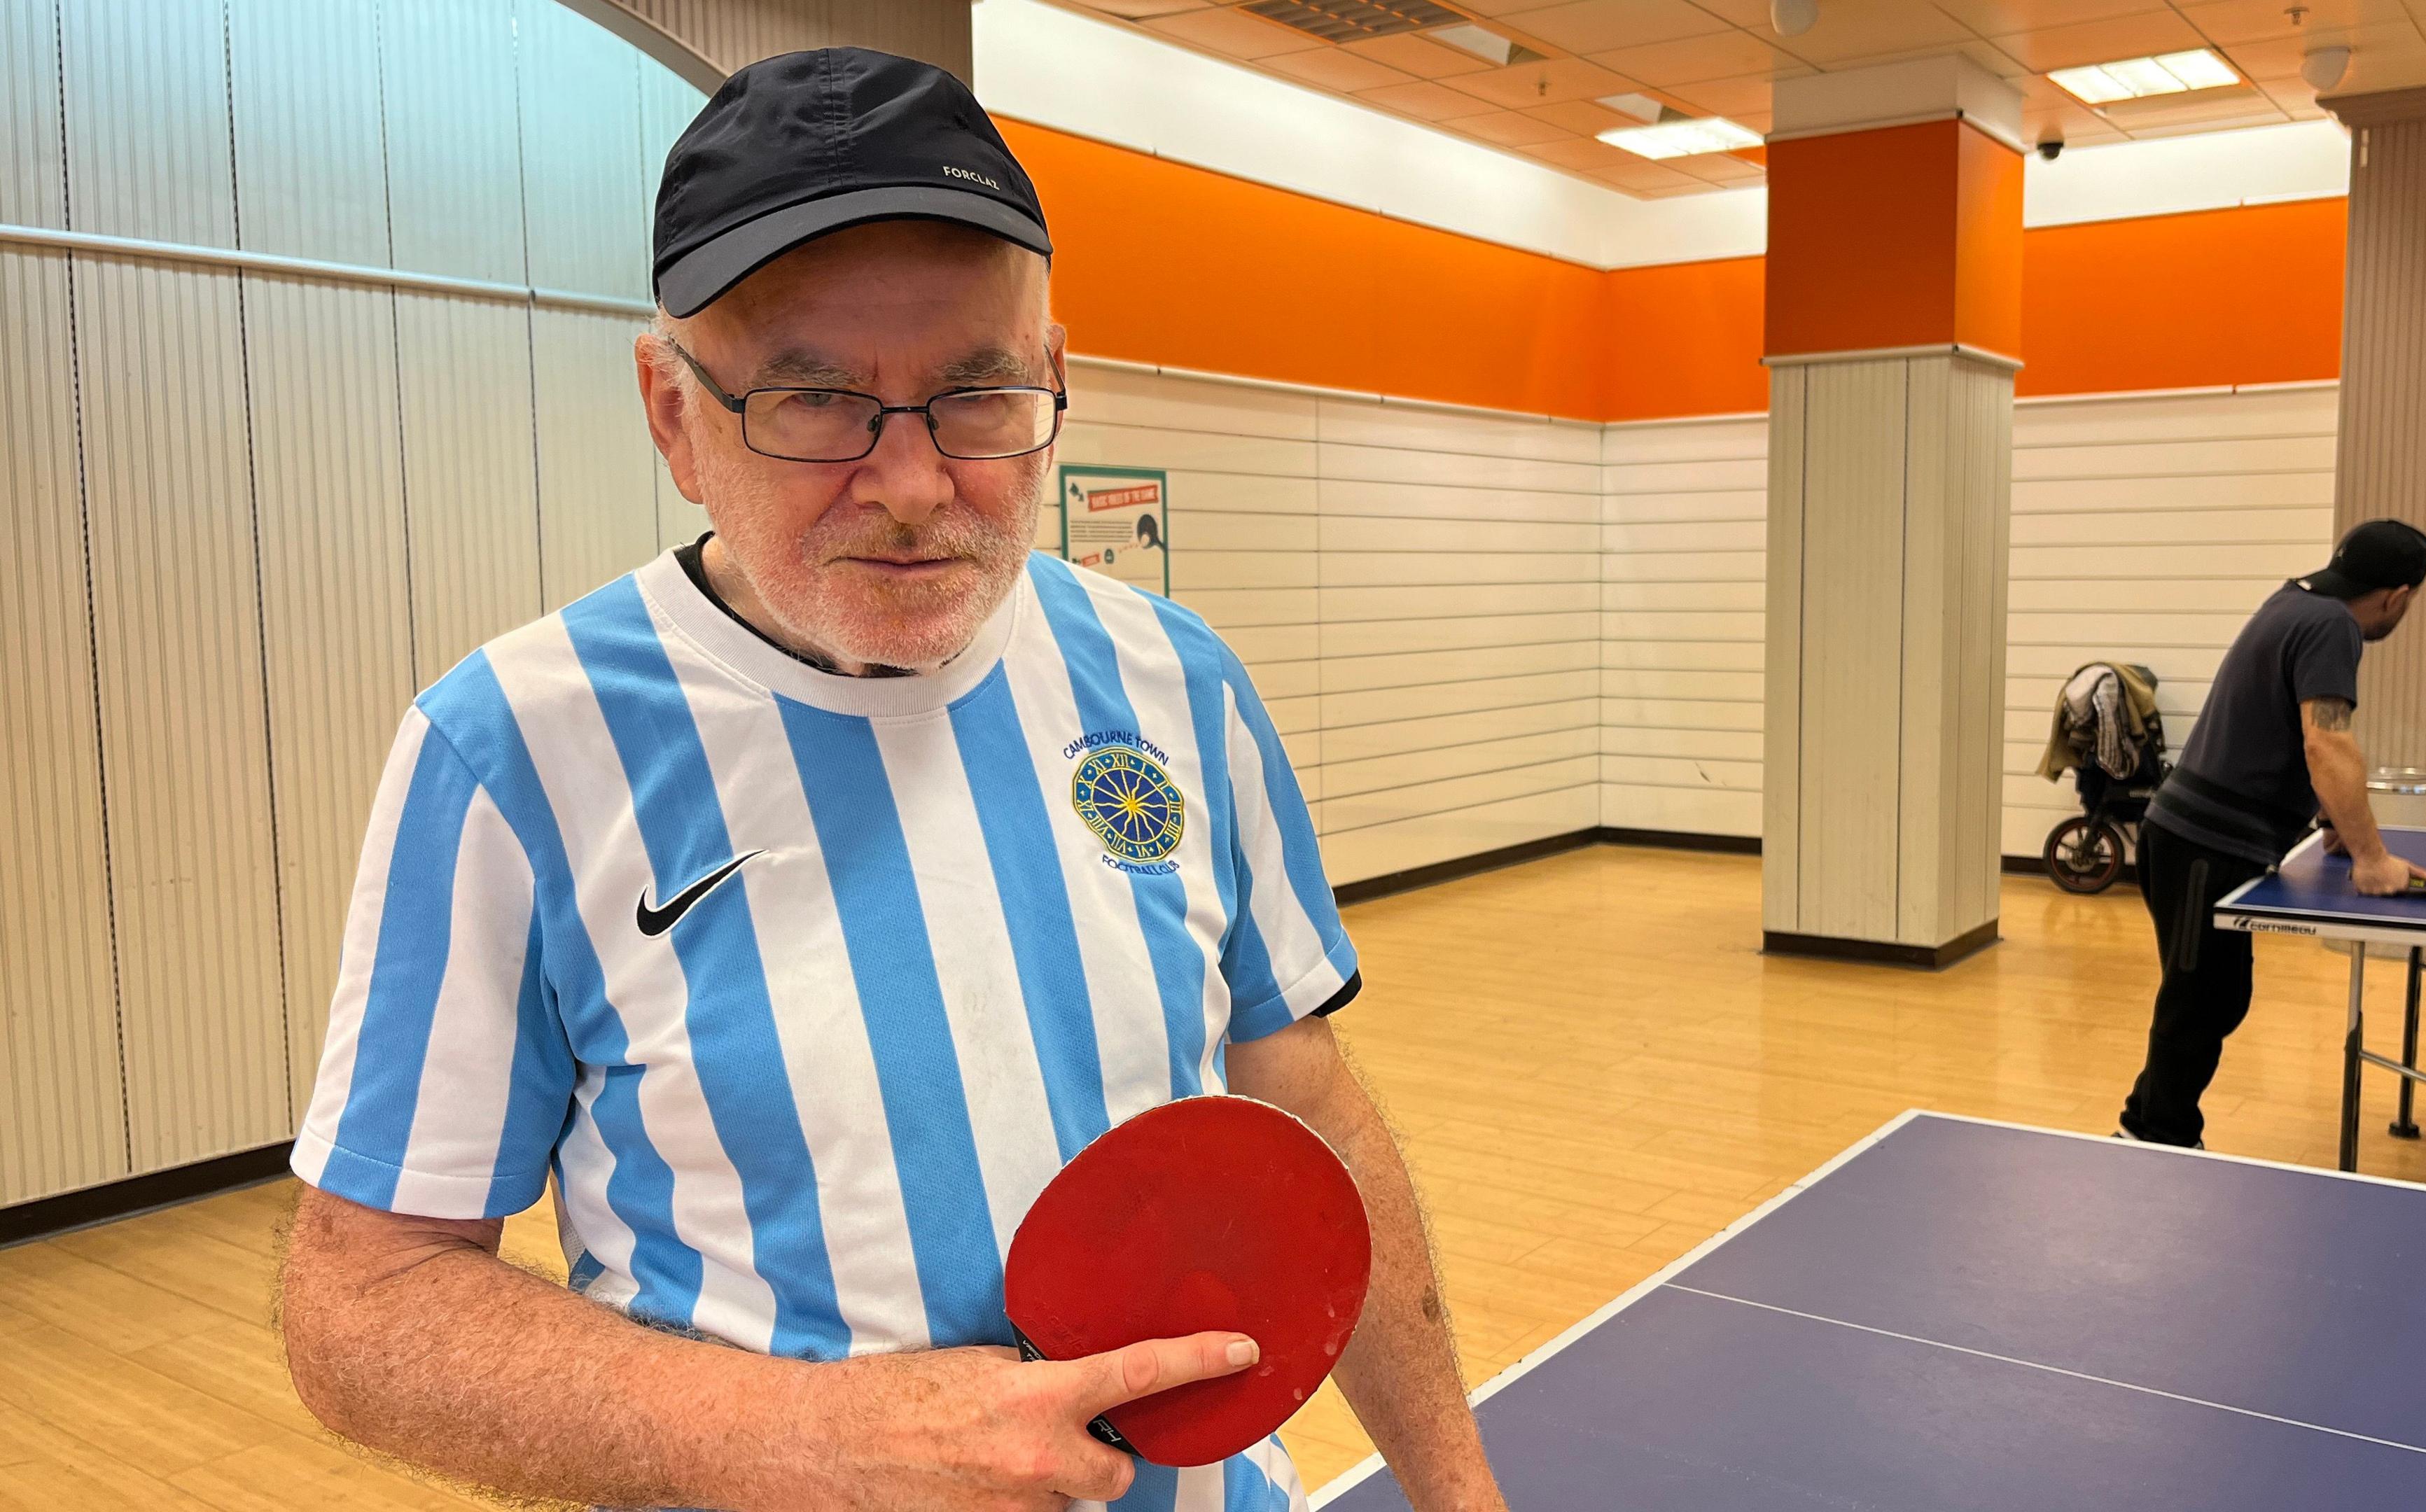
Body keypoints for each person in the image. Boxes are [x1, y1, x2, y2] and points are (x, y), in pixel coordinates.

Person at [277, 52, 1506, 1512]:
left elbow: (1299, 1105)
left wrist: (1461, 1495)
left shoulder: (1176, 681)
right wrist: (800, 1440)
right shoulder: (513, 752)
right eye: (814, 402)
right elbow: (364, 1305)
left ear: (1055, 380)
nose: (915, 485)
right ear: (673, 413)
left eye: (977, 396)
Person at [2117, 520, 2426, 1149]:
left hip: (2188, 839)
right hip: (2204, 845)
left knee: (2216, 998)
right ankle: (2151, 1137)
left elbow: (2279, 727)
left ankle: (2158, 1127)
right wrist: (2372, 857)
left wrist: (2337, 827)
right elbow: (2326, 739)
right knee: (2197, 1005)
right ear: (2399, 596)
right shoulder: (2335, 627)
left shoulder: (2293, 601)